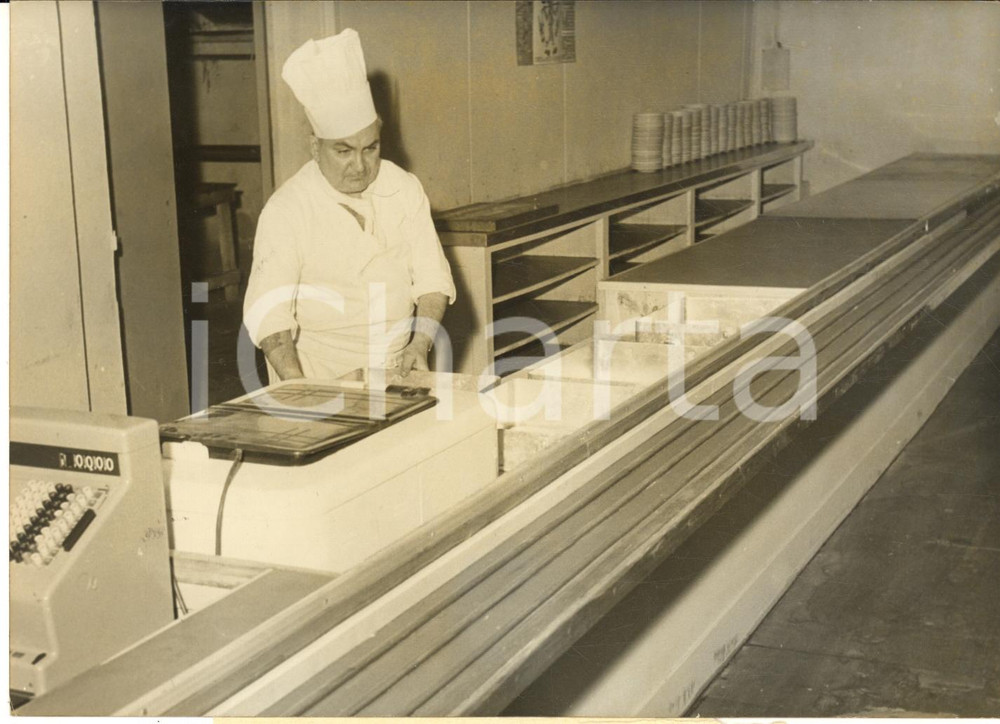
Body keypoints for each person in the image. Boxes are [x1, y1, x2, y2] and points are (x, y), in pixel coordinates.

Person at [243, 29, 455, 383]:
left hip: (398, 368)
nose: (359, 165)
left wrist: (420, 343)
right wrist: (299, 388)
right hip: (319, 375)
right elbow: (270, 316)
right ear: (315, 148)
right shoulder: (288, 210)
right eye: (343, 151)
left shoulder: (403, 189)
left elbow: (432, 278)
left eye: (370, 148)